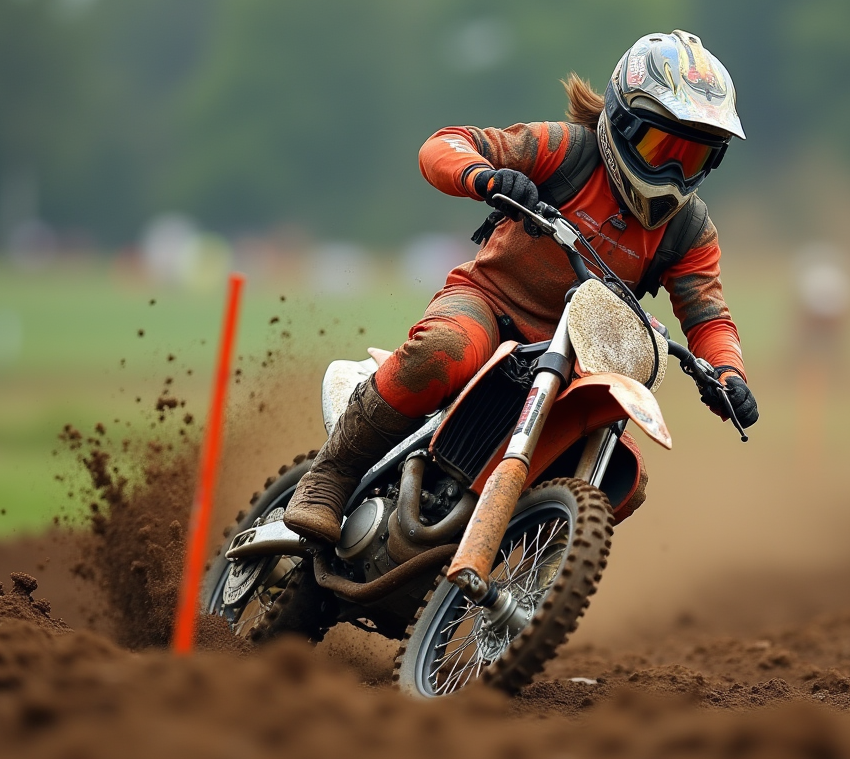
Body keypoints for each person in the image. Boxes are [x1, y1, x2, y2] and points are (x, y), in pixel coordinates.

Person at [285, 30, 759, 545]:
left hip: (578, 360)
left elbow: (708, 317)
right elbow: (443, 145)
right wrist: (484, 177)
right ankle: (329, 478)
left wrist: (729, 373)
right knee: (444, 351)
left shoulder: (690, 230)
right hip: (490, 304)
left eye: (691, 158)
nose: (671, 171)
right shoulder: (564, 150)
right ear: (621, 123)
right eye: (660, 146)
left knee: (622, 476)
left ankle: (508, 569)